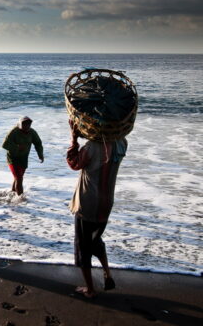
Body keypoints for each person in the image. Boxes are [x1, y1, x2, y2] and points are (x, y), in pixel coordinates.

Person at [67, 120, 127, 298]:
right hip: (106, 203)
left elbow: (74, 163)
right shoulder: (121, 144)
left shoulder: (91, 147)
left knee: (83, 247)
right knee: (96, 240)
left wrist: (74, 138)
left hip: (88, 204)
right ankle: (107, 273)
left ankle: (90, 289)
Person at [2, 116, 44, 195]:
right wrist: (17, 147)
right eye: (24, 124)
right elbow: (5, 145)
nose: (27, 126)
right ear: (20, 124)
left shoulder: (32, 132)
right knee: (19, 178)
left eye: (29, 124)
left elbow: (38, 143)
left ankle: (13, 195)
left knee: (17, 178)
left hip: (24, 159)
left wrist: (40, 154)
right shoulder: (14, 132)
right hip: (12, 159)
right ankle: (21, 200)